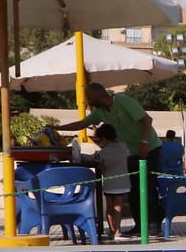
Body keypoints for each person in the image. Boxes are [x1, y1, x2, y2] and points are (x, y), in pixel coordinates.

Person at [56, 83, 162, 237]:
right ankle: (139, 225)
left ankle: (154, 225)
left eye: (90, 99)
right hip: (131, 152)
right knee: (132, 190)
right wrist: (57, 128)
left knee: (148, 186)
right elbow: (81, 124)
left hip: (150, 147)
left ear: (99, 96)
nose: (89, 103)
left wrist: (144, 142)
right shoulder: (100, 112)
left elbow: (147, 120)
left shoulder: (123, 101)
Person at [92, 123, 132, 241]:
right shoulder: (123, 146)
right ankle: (118, 231)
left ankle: (111, 231)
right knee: (118, 207)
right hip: (122, 182)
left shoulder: (102, 153)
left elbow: (102, 168)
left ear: (103, 139)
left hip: (109, 183)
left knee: (109, 208)